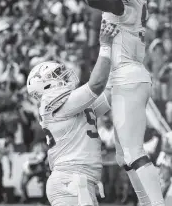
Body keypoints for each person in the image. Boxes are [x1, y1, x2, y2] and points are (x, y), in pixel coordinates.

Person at [83, 0, 164, 206]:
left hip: (127, 77)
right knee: (121, 155)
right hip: (120, 79)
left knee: (134, 153)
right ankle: (147, 203)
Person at [26, 21, 118, 206]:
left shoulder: (71, 107)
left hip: (79, 181)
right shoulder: (52, 105)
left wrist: (122, 57)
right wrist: (105, 46)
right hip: (71, 181)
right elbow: (97, 85)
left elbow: (110, 92)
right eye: (58, 74)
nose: (66, 76)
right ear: (46, 85)